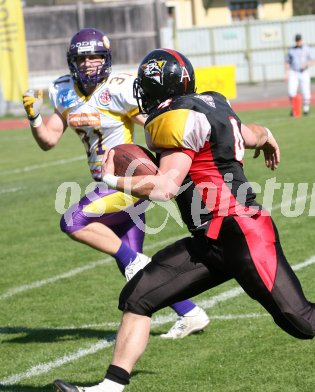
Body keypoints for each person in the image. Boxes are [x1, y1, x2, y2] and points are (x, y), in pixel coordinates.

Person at [53, 48, 315, 392]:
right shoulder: (214, 104)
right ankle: (109, 388)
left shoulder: (173, 119)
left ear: (155, 88)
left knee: (303, 321)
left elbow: (166, 187)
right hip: (210, 239)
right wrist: (268, 139)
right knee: (139, 296)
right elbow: (252, 133)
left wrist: (112, 179)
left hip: (243, 234)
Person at [22, 29, 209, 339]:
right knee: (135, 270)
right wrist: (34, 118)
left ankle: (135, 261)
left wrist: (172, 164)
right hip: (105, 182)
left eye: (96, 57)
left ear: (106, 60)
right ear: (73, 62)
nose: (90, 63)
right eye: (84, 58)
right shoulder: (63, 90)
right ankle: (190, 312)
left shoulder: (119, 89)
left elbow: (156, 125)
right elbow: (49, 140)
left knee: (73, 221)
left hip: (128, 182)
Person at [285, 34, 315, 117]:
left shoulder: (307, 49)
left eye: (299, 40)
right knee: (291, 91)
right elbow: (287, 61)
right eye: (297, 41)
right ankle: (294, 109)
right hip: (294, 71)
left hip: (304, 72)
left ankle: (306, 109)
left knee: (306, 91)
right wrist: (287, 73)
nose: (298, 42)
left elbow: (313, 60)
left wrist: (306, 64)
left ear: (302, 40)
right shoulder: (291, 50)